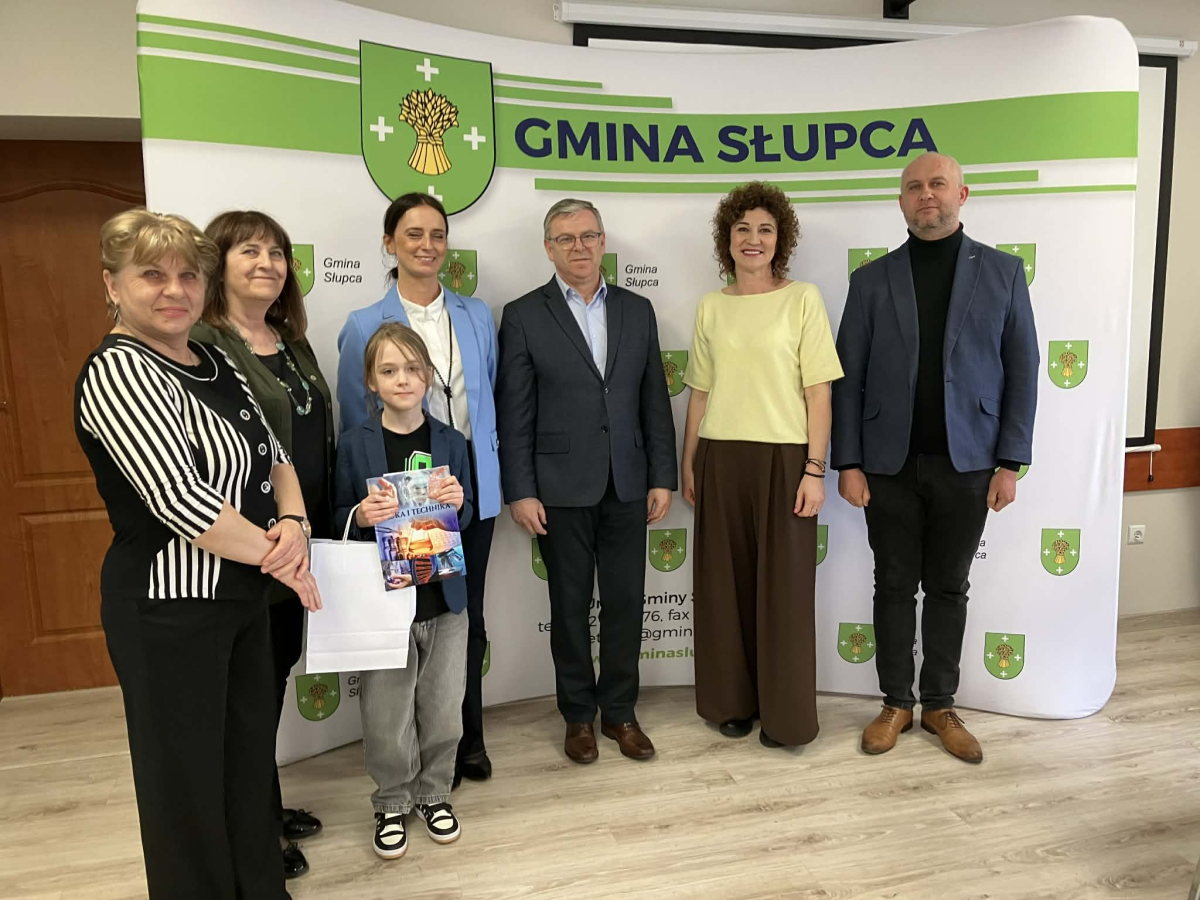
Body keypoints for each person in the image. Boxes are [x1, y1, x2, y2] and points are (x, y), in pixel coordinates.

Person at [74, 209, 321, 900]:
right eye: (152, 275)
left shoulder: (213, 359)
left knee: (246, 771)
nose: (174, 289)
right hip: (169, 611)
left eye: (188, 275)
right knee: (185, 790)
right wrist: (283, 556)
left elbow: (275, 455)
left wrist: (295, 522)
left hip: (242, 600)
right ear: (112, 284)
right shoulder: (119, 371)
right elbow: (180, 500)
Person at [831, 152, 1038, 763]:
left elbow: (1023, 369)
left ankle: (940, 705)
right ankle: (896, 702)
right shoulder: (871, 280)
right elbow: (848, 376)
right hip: (887, 464)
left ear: (961, 195)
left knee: (949, 586)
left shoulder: (1003, 272)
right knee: (893, 585)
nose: (927, 194)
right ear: (901, 200)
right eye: (914, 186)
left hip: (969, 462)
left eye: (938, 184)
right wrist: (848, 462)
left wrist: (1010, 462)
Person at [495, 198, 677, 763]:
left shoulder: (637, 310)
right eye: (566, 238)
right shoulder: (523, 315)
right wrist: (521, 489)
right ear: (548, 248)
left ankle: (620, 712)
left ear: (603, 242)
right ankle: (578, 715)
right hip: (558, 489)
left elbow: (654, 399)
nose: (579, 247)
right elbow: (514, 412)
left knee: (626, 603)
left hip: (628, 482)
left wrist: (662, 476)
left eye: (588, 236)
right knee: (569, 607)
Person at [337, 193, 499, 787]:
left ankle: (464, 745)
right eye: (413, 234)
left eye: (437, 234)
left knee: (463, 616)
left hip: (464, 486)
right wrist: (370, 506)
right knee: (401, 628)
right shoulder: (363, 323)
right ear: (389, 243)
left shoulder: (476, 314)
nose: (427, 245)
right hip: (395, 502)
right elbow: (354, 416)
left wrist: (473, 487)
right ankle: (400, 766)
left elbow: (489, 395)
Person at [193, 210, 335, 880]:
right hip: (252, 549)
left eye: (277, 253)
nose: (267, 263)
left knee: (270, 682)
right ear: (217, 264)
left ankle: (264, 807)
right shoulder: (204, 345)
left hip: (302, 539)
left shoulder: (290, 341)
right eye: (249, 250)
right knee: (248, 699)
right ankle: (254, 836)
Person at [681, 182, 843, 748]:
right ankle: (731, 703)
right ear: (727, 239)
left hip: (785, 461)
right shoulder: (711, 306)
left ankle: (786, 717)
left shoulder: (803, 299)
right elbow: (699, 393)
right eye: (743, 228)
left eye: (765, 229)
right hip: (721, 457)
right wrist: (689, 462)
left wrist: (815, 470)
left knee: (785, 595)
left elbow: (819, 392)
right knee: (723, 591)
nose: (753, 239)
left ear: (781, 240)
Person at [334, 322, 473, 860]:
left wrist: (458, 503)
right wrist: (360, 514)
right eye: (389, 370)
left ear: (429, 376)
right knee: (385, 713)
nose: (402, 379)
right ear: (371, 381)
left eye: (413, 368)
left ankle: (434, 793)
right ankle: (391, 799)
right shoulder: (354, 444)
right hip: (383, 604)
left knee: (443, 709)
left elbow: (465, 516)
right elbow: (336, 516)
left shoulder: (452, 442)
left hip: (444, 601)